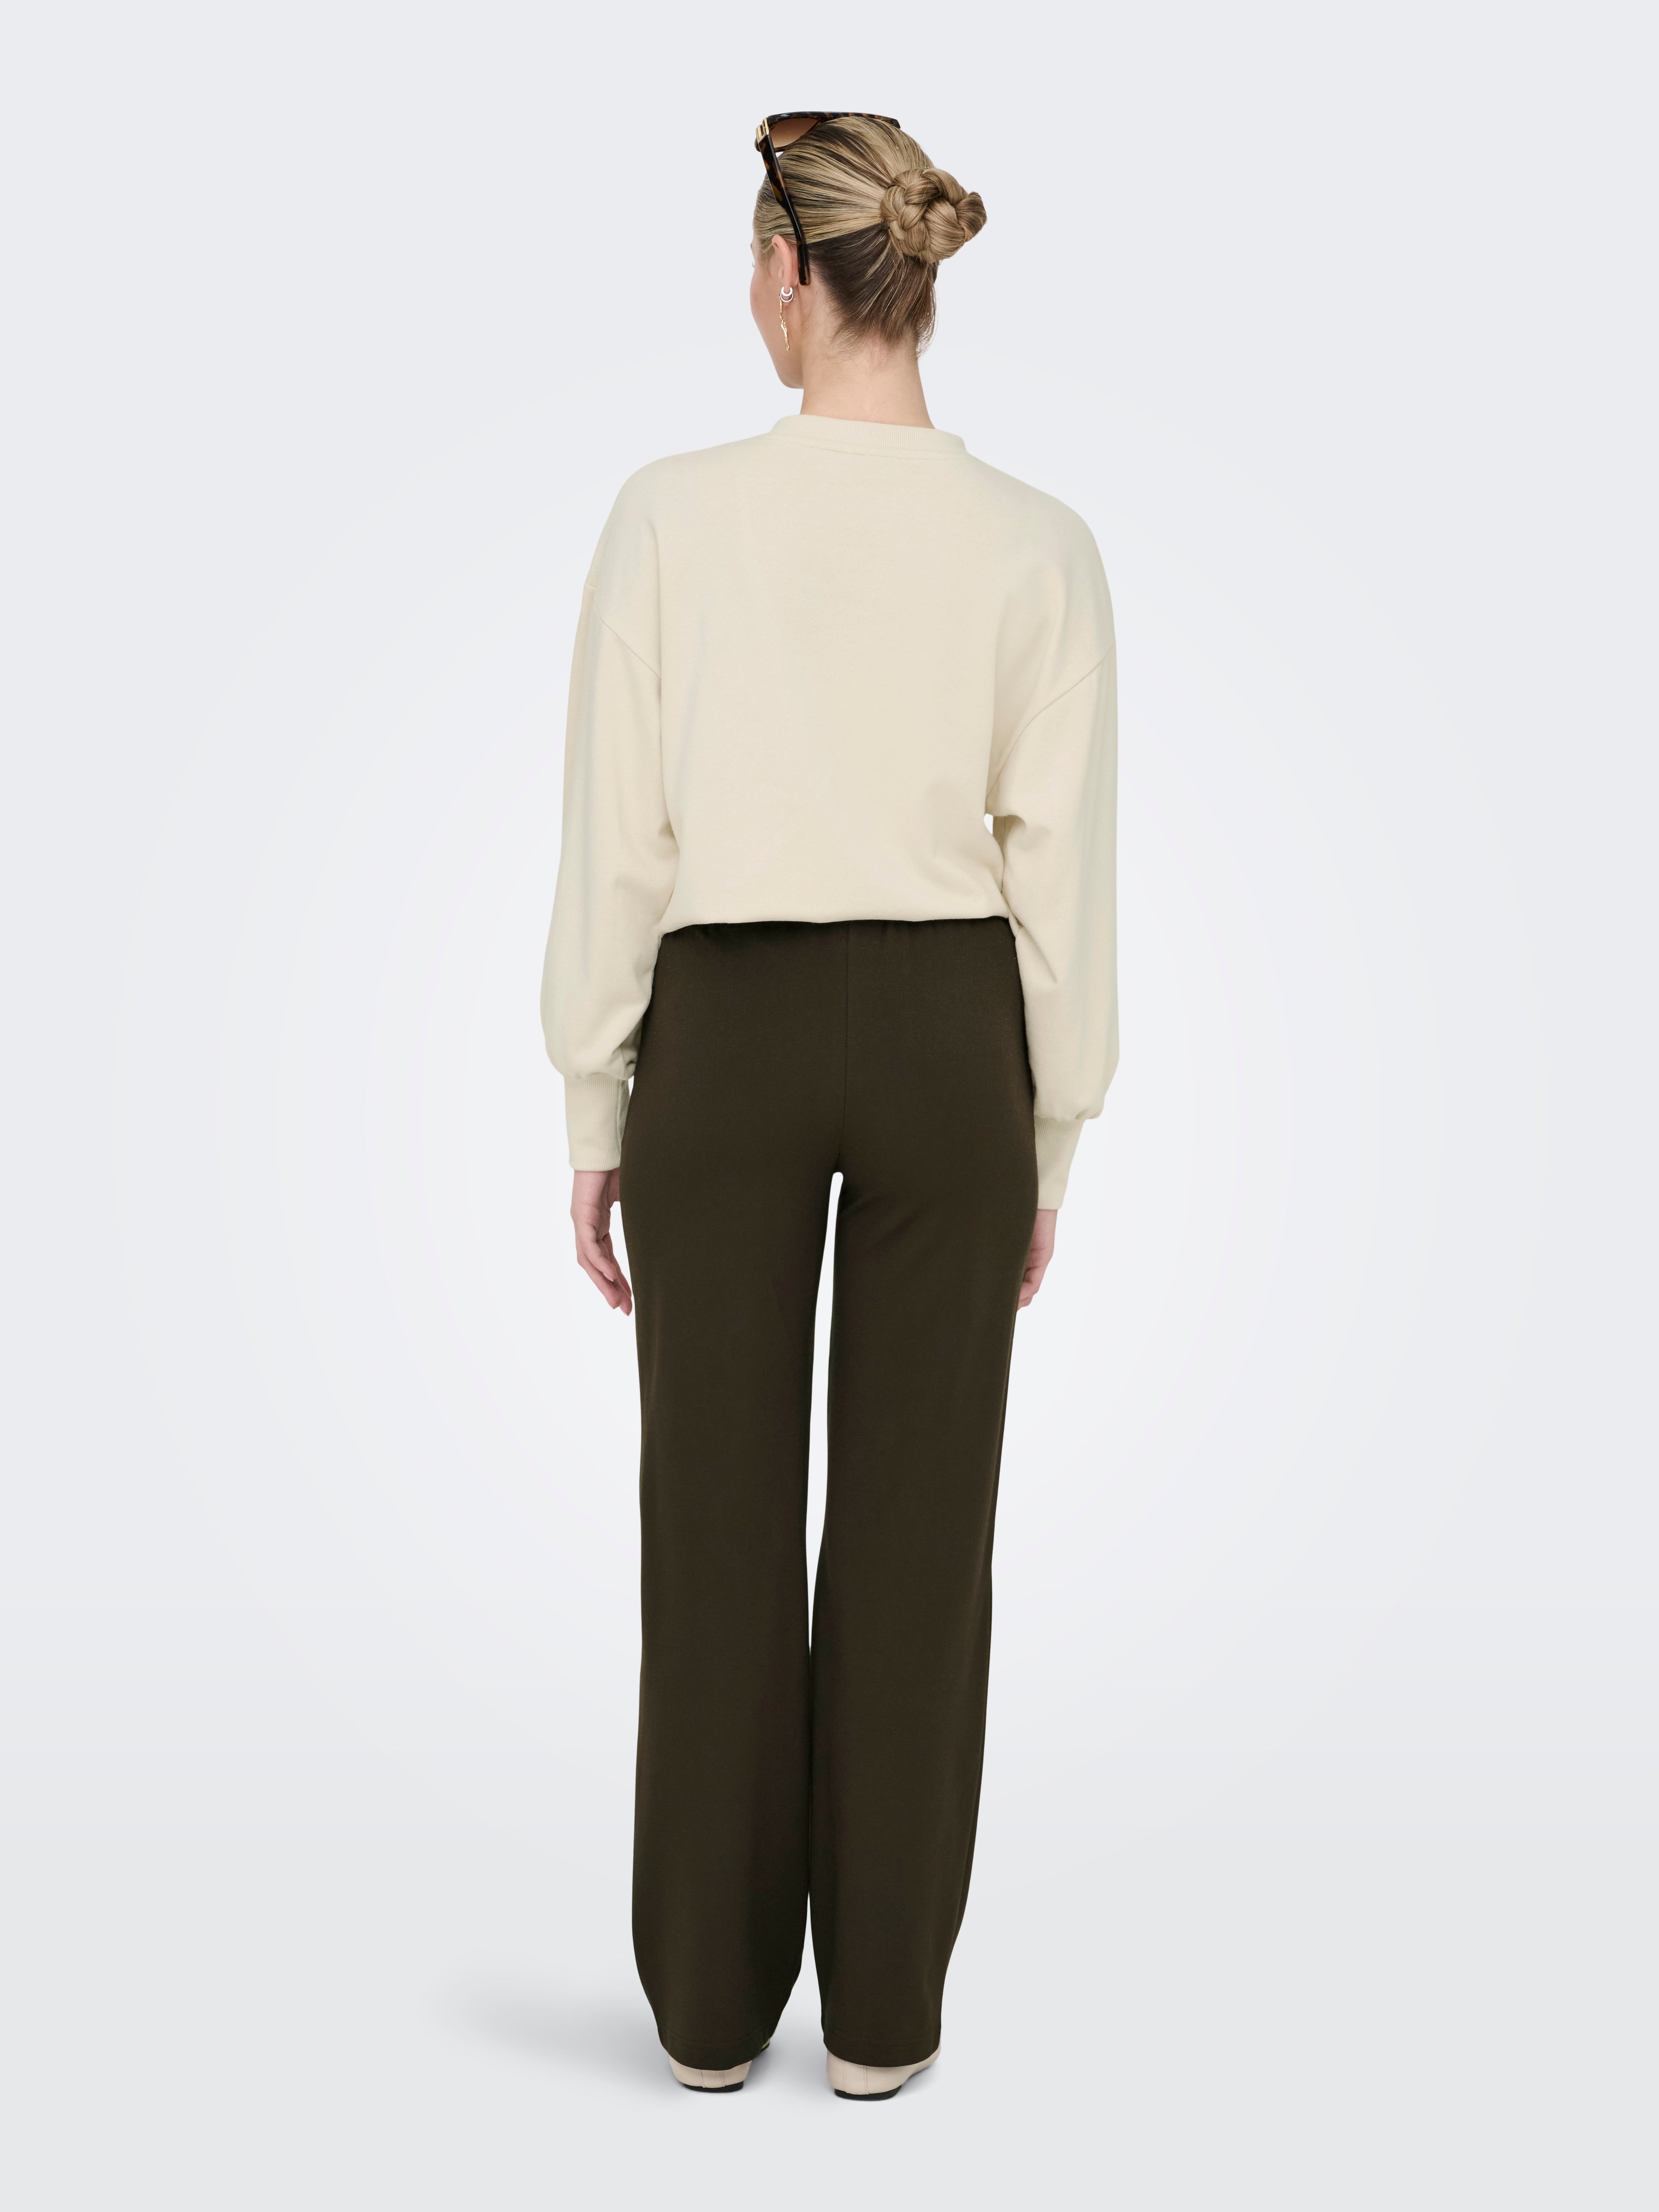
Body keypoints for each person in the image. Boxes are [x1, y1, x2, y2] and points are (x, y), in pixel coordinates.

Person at [540, 112, 1118, 2101]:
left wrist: (593, 1102)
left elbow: (621, 839)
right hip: (954, 1033)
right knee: (920, 1532)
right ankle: (881, 2019)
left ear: (791, 274)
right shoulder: (1039, 543)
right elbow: (1061, 876)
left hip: (723, 1030)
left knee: (711, 1523)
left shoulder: (672, 516)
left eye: (749, 265)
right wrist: (1052, 1132)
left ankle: (709, 2015)